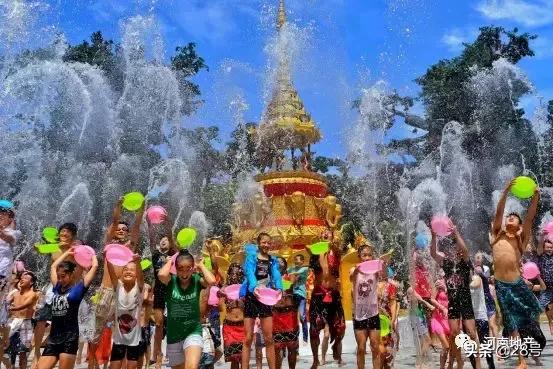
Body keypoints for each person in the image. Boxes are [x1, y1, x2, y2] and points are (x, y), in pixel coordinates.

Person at [491, 180, 541, 369]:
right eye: (508, 217)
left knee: (532, 314)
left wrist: (535, 196)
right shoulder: (497, 234)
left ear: (519, 225)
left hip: (518, 285)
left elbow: (530, 217)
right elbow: (499, 211)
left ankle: (534, 340)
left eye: (514, 217)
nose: (509, 218)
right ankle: (522, 360)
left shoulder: (521, 238)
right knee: (511, 324)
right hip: (502, 286)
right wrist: (505, 192)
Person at [90, 198, 144, 369]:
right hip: (106, 291)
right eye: (118, 229)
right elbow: (113, 222)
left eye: (124, 229)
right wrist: (118, 206)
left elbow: (136, 228)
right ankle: (93, 365)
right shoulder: (109, 246)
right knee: (96, 333)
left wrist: (141, 210)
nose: (121, 231)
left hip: (123, 293)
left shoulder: (129, 248)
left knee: (122, 333)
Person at [430, 220, 481, 369]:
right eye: (451, 249)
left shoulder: (465, 262)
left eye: (456, 248)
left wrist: (456, 233)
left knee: (472, 333)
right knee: (454, 334)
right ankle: (459, 362)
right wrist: (433, 236)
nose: (454, 251)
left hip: (465, 301)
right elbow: (433, 253)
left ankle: (477, 364)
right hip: (453, 302)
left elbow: (465, 250)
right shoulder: (446, 263)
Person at [37, 247, 98, 369]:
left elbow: (95, 266)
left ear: (71, 274)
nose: (60, 279)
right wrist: (67, 253)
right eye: (58, 277)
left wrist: (92, 255)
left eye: (63, 276)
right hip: (53, 339)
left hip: (69, 339)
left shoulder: (79, 289)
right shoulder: (56, 288)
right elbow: (53, 266)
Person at [32, 222, 81, 369]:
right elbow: (38, 249)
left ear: (73, 236)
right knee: (41, 319)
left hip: (70, 292)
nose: (63, 235)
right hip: (53, 289)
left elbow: (84, 264)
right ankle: (36, 354)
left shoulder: (75, 250)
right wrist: (40, 246)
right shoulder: (54, 247)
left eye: (67, 233)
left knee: (65, 322)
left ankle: (66, 349)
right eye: (62, 232)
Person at [158, 248, 216, 369]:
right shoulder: (171, 281)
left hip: (193, 331)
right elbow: (161, 274)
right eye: (180, 269)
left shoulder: (196, 280)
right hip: (174, 335)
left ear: (192, 268)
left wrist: (200, 266)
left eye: (188, 268)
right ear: (176, 269)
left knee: (191, 367)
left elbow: (212, 280)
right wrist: (170, 262)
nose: (184, 273)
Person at [240, 233, 282, 369]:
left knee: (269, 338)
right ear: (259, 243)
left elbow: (276, 275)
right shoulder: (251, 258)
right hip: (252, 298)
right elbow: (250, 273)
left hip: (265, 299)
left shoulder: (272, 260)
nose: (266, 245)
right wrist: (254, 287)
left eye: (268, 243)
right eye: (264, 242)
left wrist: (280, 288)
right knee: (248, 338)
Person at [308, 231, 345, 369]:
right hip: (318, 294)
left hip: (334, 294)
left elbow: (339, 251)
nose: (325, 235)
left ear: (332, 237)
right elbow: (313, 268)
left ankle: (335, 345)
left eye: (328, 234)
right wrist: (318, 251)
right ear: (319, 237)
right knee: (314, 329)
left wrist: (332, 247)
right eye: (322, 234)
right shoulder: (315, 253)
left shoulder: (335, 252)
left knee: (341, 327)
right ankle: (315, 360)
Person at [104, 251, 144, 369]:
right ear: (121, 274)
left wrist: (138, 262)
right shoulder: (118, 287)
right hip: (119, 339)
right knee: (114, 366)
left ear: (136, 275)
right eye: (125, 269)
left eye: (132, 270)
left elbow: (141, 277)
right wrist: (108, 259)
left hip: (134, 341)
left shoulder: (139, 288)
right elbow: (111, 273)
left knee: (131, 367)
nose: (128, 271)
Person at [147, 213, 176, 369]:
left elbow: (171, 237)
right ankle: (156, 356)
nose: (164, 241)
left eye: (166, 240)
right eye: (162, 240)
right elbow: (152, 238)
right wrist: (148, 223)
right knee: (158, 324)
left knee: (172, 323)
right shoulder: (156, 255)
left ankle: (173, 354)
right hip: (159, 291)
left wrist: (169, 222)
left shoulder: (173, 255)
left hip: (171, 291)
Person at [350, 244, 382, 369]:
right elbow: (351, 277)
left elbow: (384, 275)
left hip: (373, 313)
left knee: (375, 347)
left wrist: (382, 264)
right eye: (364, 255)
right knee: (361, 348)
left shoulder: (375, 271)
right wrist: (359, 269)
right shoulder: (354, 270)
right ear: (359, 256)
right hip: (359, 315)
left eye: (369, 255)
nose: (367, 258)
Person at [0, 204, 21, 363]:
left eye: (3, 214)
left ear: (10, 218)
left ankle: (5, 339)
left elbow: (9, 238)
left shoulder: (14, 232)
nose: (0, 216)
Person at [6, 271, 39, 369]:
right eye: (21, 278)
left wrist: (12, 308)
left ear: (31, 282)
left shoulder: (33, 294)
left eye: (25, 278)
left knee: (23, 352)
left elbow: (25, 305)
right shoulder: (15, 293)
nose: (22, 279)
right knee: (8, 348)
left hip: (25, 324)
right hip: (13, 322)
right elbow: (6, 302)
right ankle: (11, 366)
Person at [273, 257, 299, 369]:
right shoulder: (270, 278)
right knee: (277, 347)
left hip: (289, 315)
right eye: (277, 262)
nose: (279, 263)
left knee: (292, 346)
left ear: (285, 264)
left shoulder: (291, 275)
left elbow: (292, 282)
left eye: (282, 261)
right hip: (276, 315)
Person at [220, 263, 245, 369]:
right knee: (234, 359)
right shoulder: (225, 289)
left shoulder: (246, 288)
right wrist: (223, 298)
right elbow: (220, 307)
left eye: (237, 273)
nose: (234, 276)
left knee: (244, 358)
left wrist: (243, 302)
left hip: (243, 326)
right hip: (229, 327)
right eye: (232, 273)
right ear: (229, 274)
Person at [469, 272, 495, 369]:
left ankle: (491, 366)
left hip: (480, 316)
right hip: (468, 317)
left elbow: (476, 284)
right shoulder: (459, 281)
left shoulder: (476, 278)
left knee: (485, 343)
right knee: (470, 345)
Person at [377, 263, 399, 369]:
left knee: (388, 352)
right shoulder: (372, 284)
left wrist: (393, 318)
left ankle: (387, 365)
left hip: (387, 320)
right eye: (381, 269)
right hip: (376, 320)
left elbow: (393, 302)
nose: (383, 271)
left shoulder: (390, 286)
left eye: (385, 269)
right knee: (380, 351)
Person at [287, 254, 309, 344]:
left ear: (302, 261)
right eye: (295, 259)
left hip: (301, 295)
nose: (296, 261)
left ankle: (305, 338)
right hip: (292, 295)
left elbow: (293, 278)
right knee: (292, 317)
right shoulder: (291, 269)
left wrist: (290, 275)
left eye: (298, 260)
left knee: (302, 316)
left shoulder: (304, 269)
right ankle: (294, 337)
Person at [429, 279, 450, 369]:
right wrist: (442, 307)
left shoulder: (452, 282)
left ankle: (445, 366)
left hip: (448, 319)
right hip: (437, 319)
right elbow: (432, 299)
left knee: (448, 347)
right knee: (446, 345)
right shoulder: (438, 282)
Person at [536, 233, 553, 334]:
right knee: (538, 308)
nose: (549, 249)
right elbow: (539, 247)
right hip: (546, 289)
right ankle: (536, 329)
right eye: (547, 247)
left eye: (551, 247)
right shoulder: (541, 256)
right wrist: (543, 237)